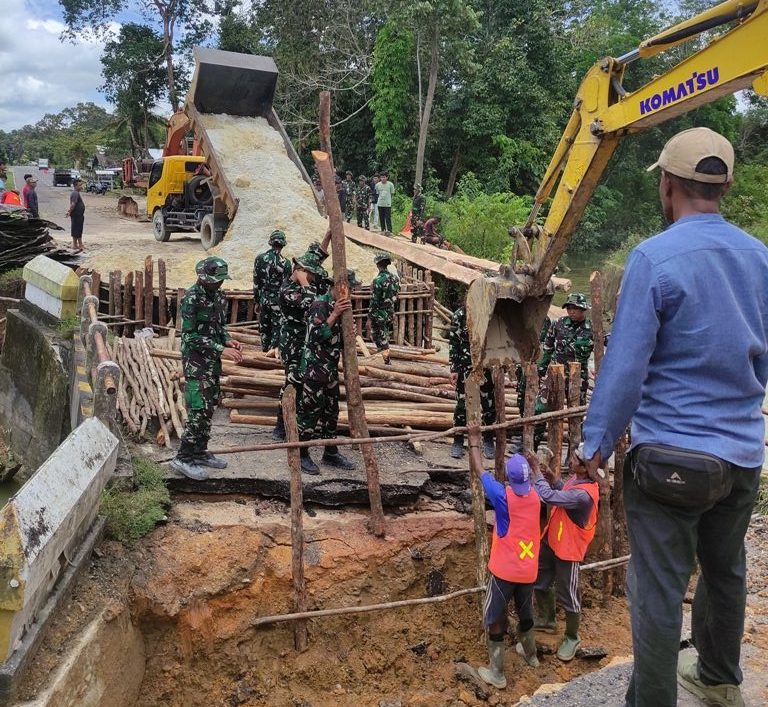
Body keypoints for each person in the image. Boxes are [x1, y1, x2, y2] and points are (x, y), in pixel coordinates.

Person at [581, 127, 768, 707]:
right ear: (725, 187)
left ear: (667, 184)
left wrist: (594, 446)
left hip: (669, 463)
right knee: (725, 569)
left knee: (658, 592)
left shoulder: (653, 258)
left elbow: (625, 369)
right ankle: (718, 678)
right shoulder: (761, 258)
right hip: (741, 458)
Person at [466, 424, 541, 688]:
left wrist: (474, 441)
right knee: (525, 611)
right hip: (528, 570)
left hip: (504, 572)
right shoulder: (536, 496)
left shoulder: (502, 496)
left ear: (509, 478)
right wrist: (536, 467)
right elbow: (538, 480)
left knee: (495, 616)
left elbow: (480, 470)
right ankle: (531, 655)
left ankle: (497, 673)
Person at [172, 257, 243, 480]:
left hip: (212, 363)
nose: (219, 284)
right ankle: (183, 457)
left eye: (221, 280)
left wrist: (228, 340)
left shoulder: (219, 296)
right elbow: (190, 336)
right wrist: (221, 348)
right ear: (203, 278)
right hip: (196, 363)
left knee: (209, 407)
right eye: (216, 280)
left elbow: (219, 327)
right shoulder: (191, 298)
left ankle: (200, 452)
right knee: (198, 409)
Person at [527, 443, 598, 662]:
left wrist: (537, 471)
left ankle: (572, 637)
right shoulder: (578, 479)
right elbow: (562, 490)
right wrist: (552, 477)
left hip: (569, 548)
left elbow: (549, 497)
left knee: (569, 593)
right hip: (554, 539)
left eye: (575, 459)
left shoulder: (584, 495)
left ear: (584, 467)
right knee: (540, 579)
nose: (571, 460)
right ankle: (547, 620)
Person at [295, 270, 359, 474]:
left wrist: (349, 332)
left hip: (329, 370)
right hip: (314, 370)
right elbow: (314, 336)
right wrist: (334, 315)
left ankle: (330, 452)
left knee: (331, 412)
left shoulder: (342, 308)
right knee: (309, 411)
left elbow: (336, 340)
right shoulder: (320, 305)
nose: (351, 293)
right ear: (337, 287)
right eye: (349, 289)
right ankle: (301, 454)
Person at [273, 251, 325, 440]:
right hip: (292, 343)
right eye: (310, 274)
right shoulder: (288, 290)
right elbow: (311, 303)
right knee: (292, 382)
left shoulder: (300, 287)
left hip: (304, 342)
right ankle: (281, 426)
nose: (313, 279)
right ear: (301, 271)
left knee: (302, 383)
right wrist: (304, 282)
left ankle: (297, 425)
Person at [448, 303, 496, 460]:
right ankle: (458, 440)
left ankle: (488, 439)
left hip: (485, 368)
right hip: (465, 369)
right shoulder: (460, 315)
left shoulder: (489, 313)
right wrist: (454, 369)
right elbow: (454, 343)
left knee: (489, 405)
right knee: (462, 406)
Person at [538, 293, 593, 405]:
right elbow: (548, 349)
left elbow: (602, 353)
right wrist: (541, 370)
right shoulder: (558, 324)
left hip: (578, 376)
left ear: (583, 309)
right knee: (542, 405)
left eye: (575, 308)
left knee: (576, 408)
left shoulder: (592, 328)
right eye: (569, 308)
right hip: (556, 372)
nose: (571, 312)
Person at [253, 230, 290, 353]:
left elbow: (256, 282)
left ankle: (264, 349)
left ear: (270, 243)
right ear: (283, 244)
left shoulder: (260, 259)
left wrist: (257, 300)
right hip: (278, 300)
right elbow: (286, 286)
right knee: (277, 325)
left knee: (264, 325)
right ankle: (273, 350)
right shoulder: (286, 263)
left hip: (264, 297)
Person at [366, 252, 400, 364]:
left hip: (379, 314)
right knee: (383, 335)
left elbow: (374, 301)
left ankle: (386, 360)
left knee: (379, 338)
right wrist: (393, 311)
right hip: (389, 312)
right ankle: (384, 358)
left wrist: (369, 318)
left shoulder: (378, 280)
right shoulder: (395, 278)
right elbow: (395, 296)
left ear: (377, 264)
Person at [66, 178, 86, 251]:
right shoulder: (75, 193)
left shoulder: (76, 193)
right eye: (80, 185)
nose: (81, 187)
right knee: (78, 230)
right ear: (75, 186)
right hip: (77, 215)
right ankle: (79, 245)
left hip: (77, 214)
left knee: (75, 229)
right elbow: (73, 204)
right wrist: (69, 211)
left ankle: (75, 244)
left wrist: (70, 212)